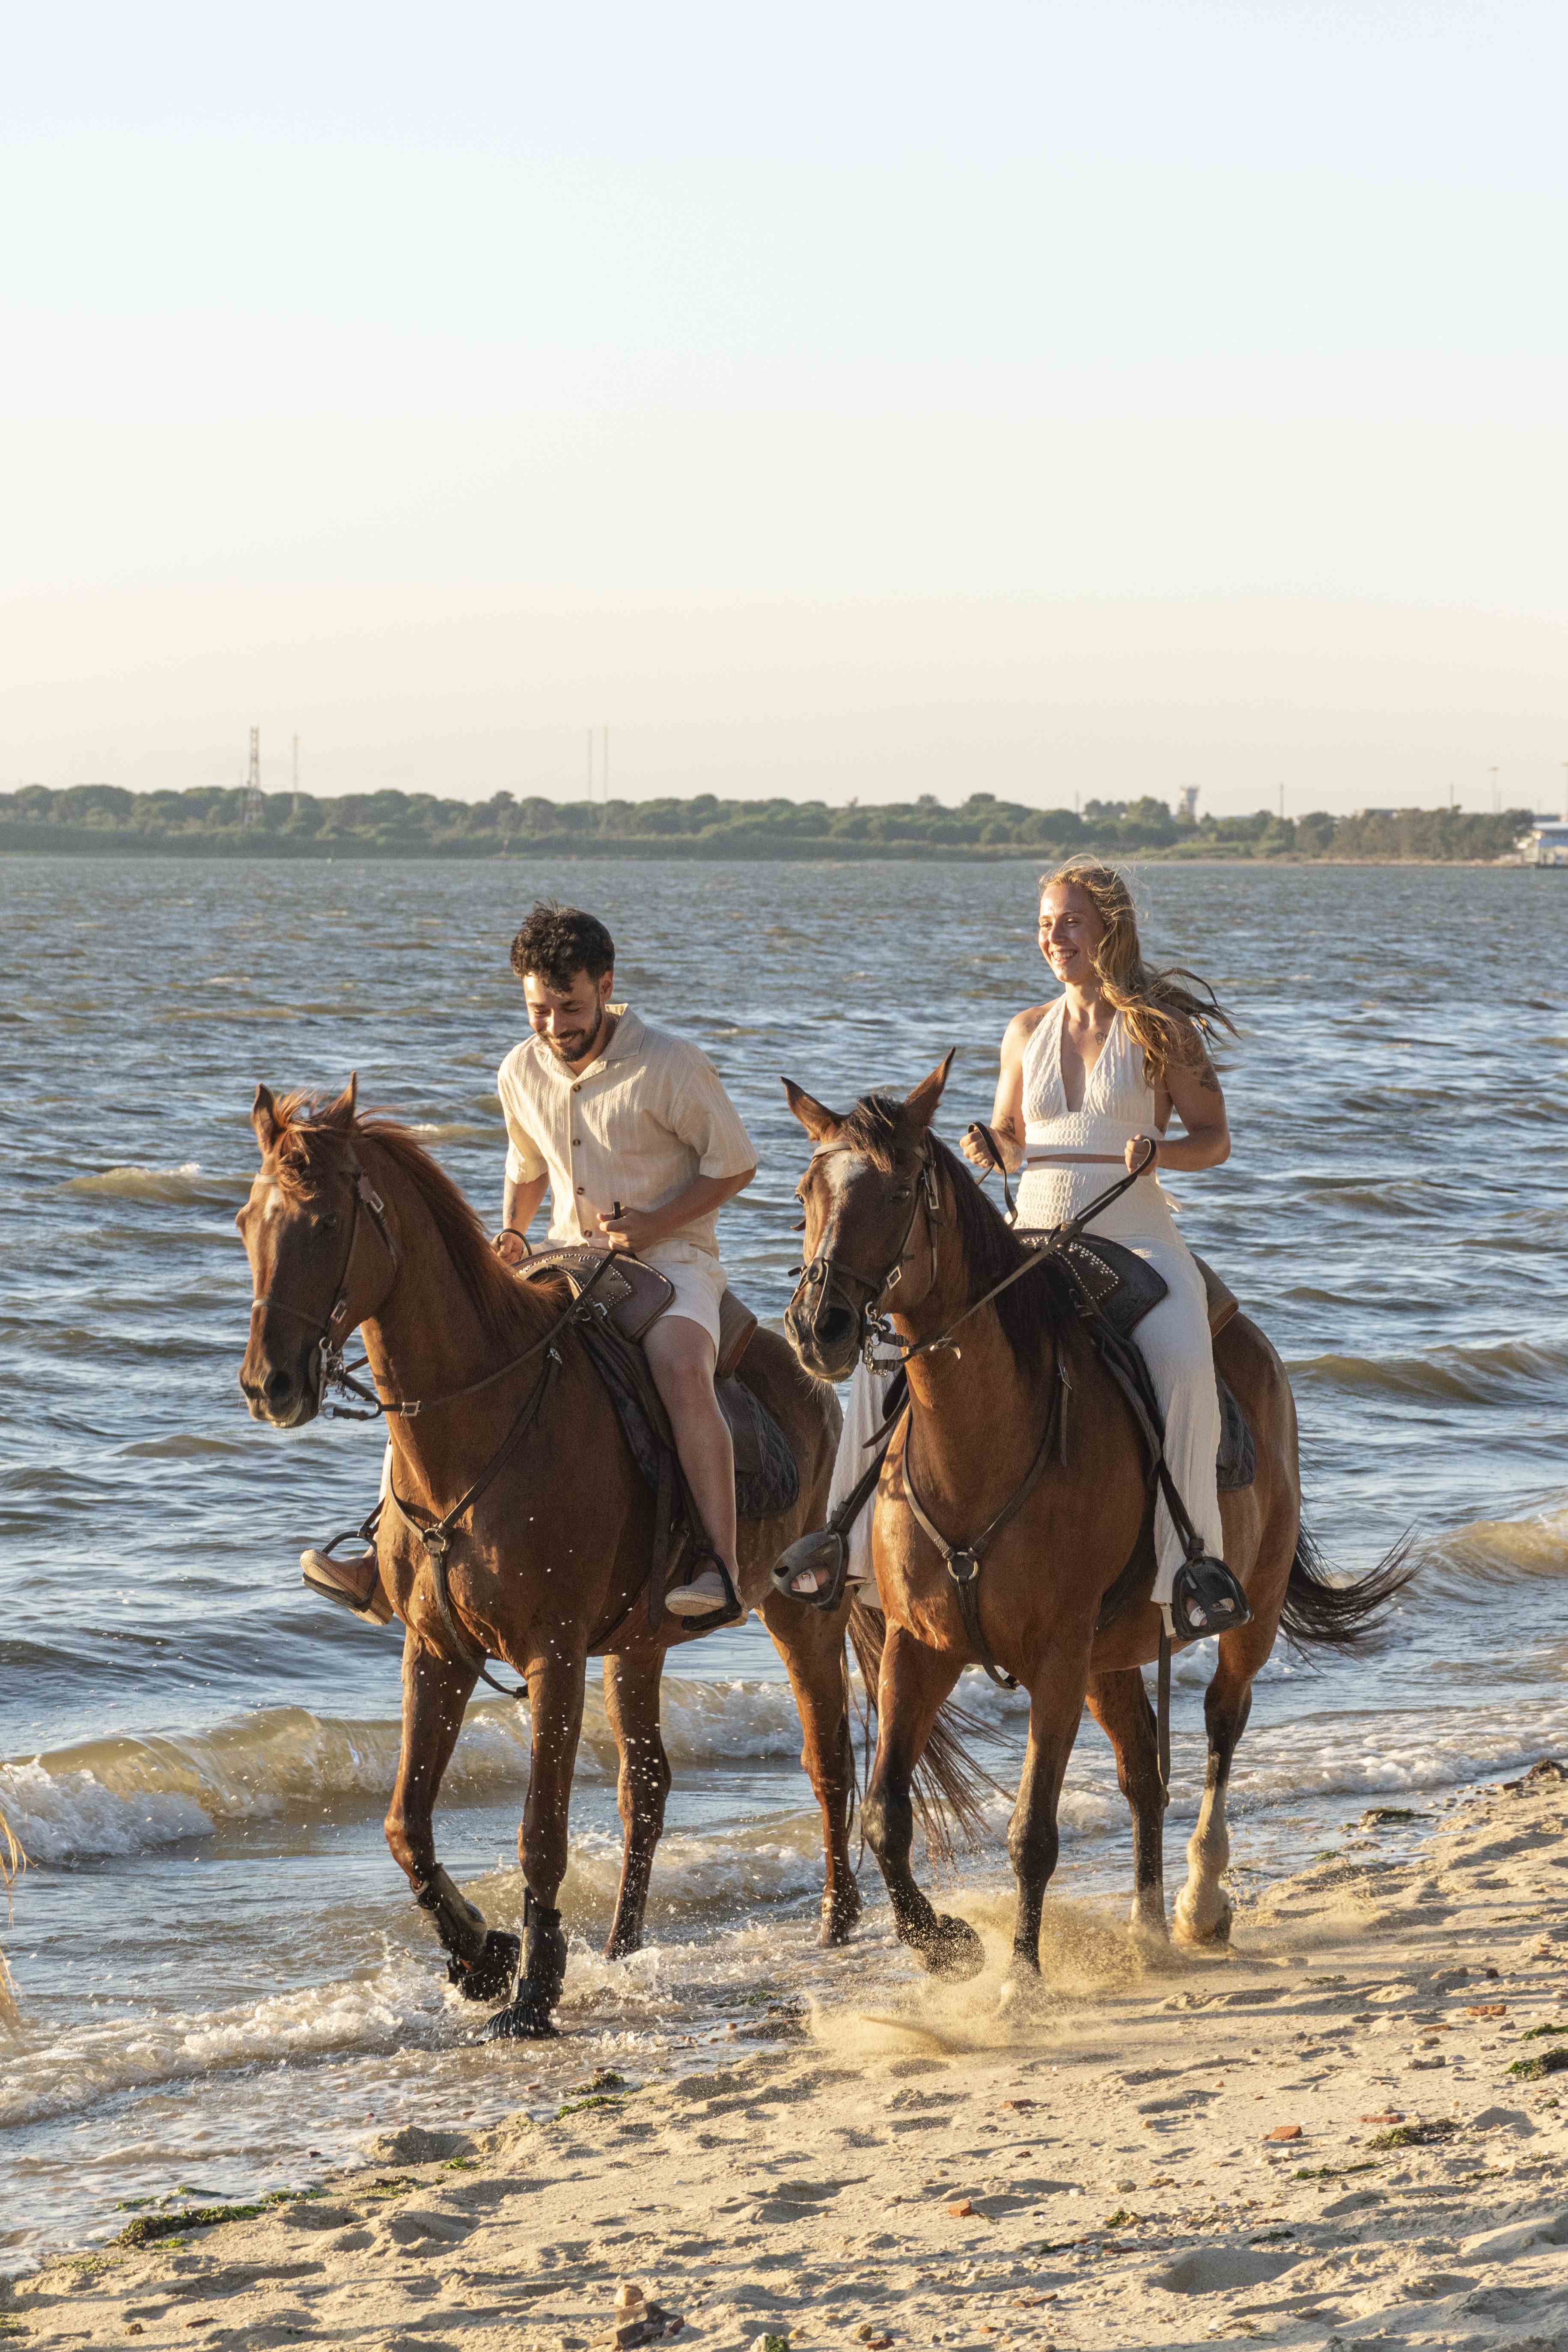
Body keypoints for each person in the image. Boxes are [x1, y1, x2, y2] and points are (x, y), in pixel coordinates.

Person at [820, 858, 1249, 1637]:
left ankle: (1192, 1564)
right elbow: (1013, 1137)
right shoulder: (1024, 1031)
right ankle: (841, 1543)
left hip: (1136, 1237)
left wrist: (1162, 1154)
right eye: (1046, 925)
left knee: (1184, 1365)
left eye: (1071, 922)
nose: (1055, 938)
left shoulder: (1163, 1030)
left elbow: (1215, 1139)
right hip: (1030, 1240)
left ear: (1110, 927)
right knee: (887, 1348)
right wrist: (995, 1145)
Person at [302, 902, 757, 1625]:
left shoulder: (671, 1064)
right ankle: (384, 1555)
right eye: (539, 1009)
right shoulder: (519, 1068)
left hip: (674, 1261)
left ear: (606, 985)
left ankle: (720, 1566)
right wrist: (513, 1230)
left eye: (569, 1007)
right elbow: (527, 1164)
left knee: (679, 1367)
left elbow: (734, 1165)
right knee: (437, 1359)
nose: (553, 1025)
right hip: (565, 1257)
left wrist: (654, 1224)